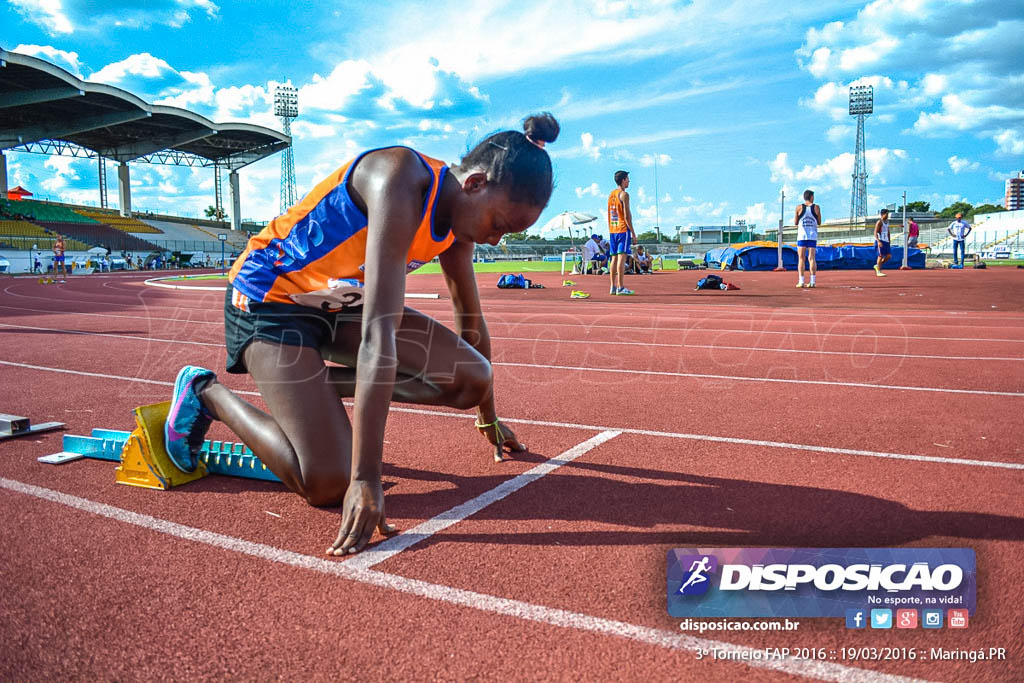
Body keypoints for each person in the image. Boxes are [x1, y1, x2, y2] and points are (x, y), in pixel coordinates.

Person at [164, 113, 559, 557]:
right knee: (328, 482)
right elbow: (378, 338)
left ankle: (308, 391)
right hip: (270, 300)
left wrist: (486, 413)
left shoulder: (460, 226)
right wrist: (364, 479)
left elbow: (470, 319)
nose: (495, 240)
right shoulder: (399, 180)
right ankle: (206, 393)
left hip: (335, 305)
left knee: (473, 377)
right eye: (500, 225)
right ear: (475, 184)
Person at [607, 170, 636, 295]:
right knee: (621, 257)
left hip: (612, 230)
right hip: (623, 230)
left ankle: (613, 287)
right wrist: (633, 233)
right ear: (623, 180)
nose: (629, 181)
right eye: (628, 179)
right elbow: (627, 215)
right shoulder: (624, 194)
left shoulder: (611, 194)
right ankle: (621, 287)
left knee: (613, 258)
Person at [794, 189, 821, 288]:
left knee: (801, 259)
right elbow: (819, 222)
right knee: (812, 258)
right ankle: (812, 281)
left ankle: (801, 281)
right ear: (811, 197)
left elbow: (796, 222)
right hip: (812, 235)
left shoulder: (798, 208)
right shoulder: (816, 207)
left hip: (802, 235)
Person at [873, 208, 892, 277]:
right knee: (880, 256)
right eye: (886, 214)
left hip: (886, 241)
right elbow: (875, 232)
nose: (887, 215)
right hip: (881, 240)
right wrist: (878, 241)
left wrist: (889, 240)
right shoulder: (879, 222)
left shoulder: (887, 221)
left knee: (889, 256)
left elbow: (888, 231)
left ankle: (877, 265)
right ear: (882, 214)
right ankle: (878, 271)